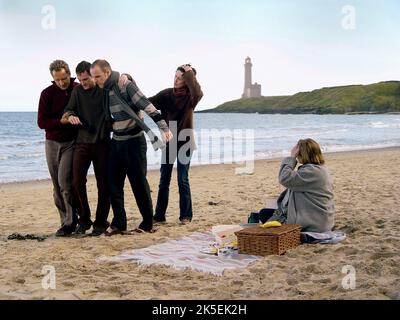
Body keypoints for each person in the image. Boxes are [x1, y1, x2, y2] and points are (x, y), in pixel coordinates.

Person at [90, 59, 173, 235]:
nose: (95, 80)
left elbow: (147, 105)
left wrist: (164, 128)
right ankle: (119, 223)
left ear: (107, 72)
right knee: (113, 185)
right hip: (117, 142)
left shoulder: (124, 85)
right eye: (93, 77)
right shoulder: (104, 90)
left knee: (139, 184)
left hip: (134, 142)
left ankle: (148, 223)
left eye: (97, 76)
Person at [149, 64, 203, 224]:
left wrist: (189, 73)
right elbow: (147, 103)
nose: (176, 80)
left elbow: (198, 91)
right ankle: (159, 216)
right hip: (169, 142)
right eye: (175, 76)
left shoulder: (191, 98)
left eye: (180, 78)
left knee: (182, 179)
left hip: (186, 142)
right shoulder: (166, 94)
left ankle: (186, 216)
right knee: (164, 180)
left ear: (187, 80)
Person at [62, 61, 111, 236]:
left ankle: (101, 222)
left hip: (102, 143)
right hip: (81, 143)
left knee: (104, 184)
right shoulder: (77, 91)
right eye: (81, 80)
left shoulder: (103, 90)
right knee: (76, 182)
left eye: (86, 79)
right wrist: (71, 116)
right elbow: (67, 111)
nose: (83, 83)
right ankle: (84, 220)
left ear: (92, 75)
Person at [37, 60, 78, 236]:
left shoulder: (77, 89)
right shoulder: (46, 94)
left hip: (71, 143)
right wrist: (60, 122)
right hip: (52, 143)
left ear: (69, 74)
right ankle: (64, 220)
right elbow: (41, 122)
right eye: (58, 79)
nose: (62, 83)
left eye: (64, 78)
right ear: (53, 78)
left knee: (65, 183)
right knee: (56, 186)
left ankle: (71, 221)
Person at [268, 138, 335, 232]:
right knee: (267, 213)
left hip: (313, 224)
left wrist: (292, 158)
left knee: (265, 214)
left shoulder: (312, 172)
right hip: (320, 219)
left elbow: (284, 178)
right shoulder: (320, 169)